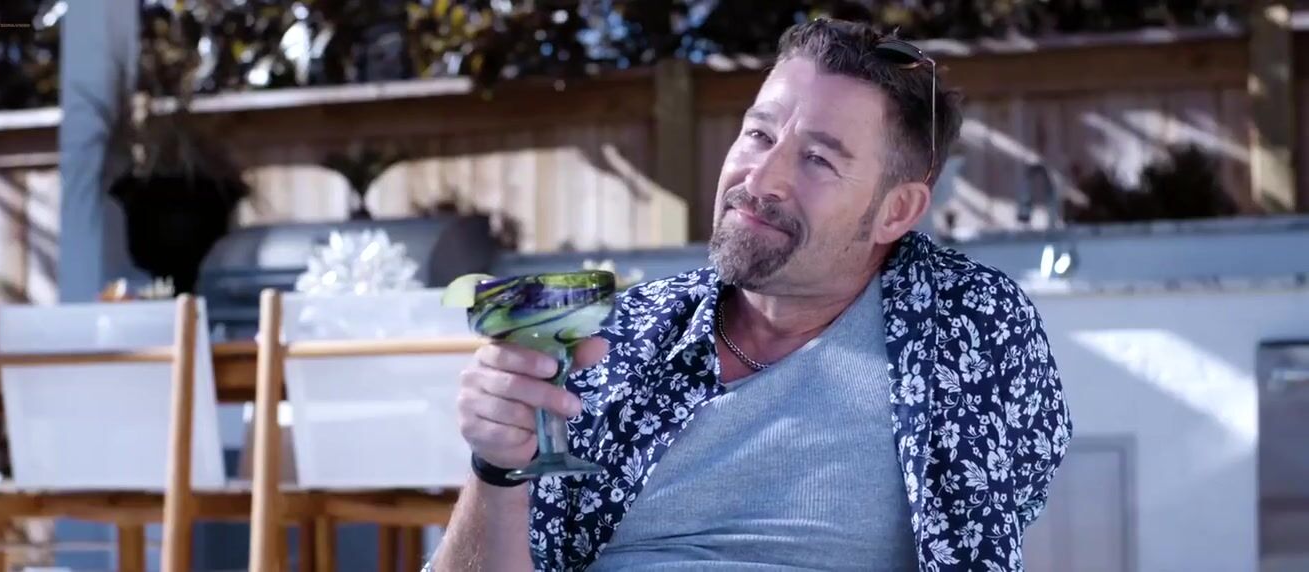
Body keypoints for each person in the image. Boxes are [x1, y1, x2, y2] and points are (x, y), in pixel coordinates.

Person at [428, 17, 1072, 572]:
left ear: (895, 211)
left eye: (818, 160)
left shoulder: (966, 328)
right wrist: (498, 469)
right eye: (759, 135)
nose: (760, 179)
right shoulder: (625, 335)